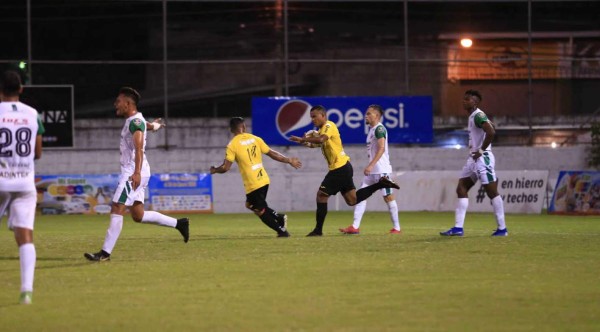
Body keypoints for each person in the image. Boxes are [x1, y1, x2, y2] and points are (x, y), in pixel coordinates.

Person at [84, 87, 189, 261]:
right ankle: (179, 224)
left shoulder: (135, 122)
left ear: (128, 103)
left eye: (118, 102)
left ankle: (104, 254)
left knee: (117, 206)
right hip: (137, 170)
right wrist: (154, 125)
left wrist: (136, 173)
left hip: (133, 171)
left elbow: (139, 148)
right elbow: (143, 125)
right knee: (138, 215)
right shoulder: (135, 121)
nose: (115, 104)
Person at [289, 105, 399, 236]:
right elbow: (318, 143)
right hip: (344, 168)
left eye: (315, 116)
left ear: (323, 116)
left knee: (321, 195)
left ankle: (318, 230)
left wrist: (303, 139)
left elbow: (321, 139)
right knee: (352, 200)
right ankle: (380, 184)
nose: (313, 119)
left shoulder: (329, 126)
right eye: (311, 117)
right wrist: (305, 142)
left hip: (339, 168)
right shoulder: (323, 130)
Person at [210, 117, 302, 237]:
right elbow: (272, 153)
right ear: (244, 126)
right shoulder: (255, 139)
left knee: (260, 210)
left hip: (253, 183)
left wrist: (215, 170)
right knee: (250, 205)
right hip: (264, 179)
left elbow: (225, 168)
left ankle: (282, 231)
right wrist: (288, 160)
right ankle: (279, 217)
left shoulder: (232, 145)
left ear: (231, 129)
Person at [0, 70, 45, 304]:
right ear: (21, 89)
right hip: (24, 181)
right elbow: (37, 152)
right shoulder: (32, 114)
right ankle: (26, 291)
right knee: (25, 236)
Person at [440, 89, 507, 237]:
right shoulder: (474, 116)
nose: (463, 101)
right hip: (473, 159)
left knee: (491, 192)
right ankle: (458, 228)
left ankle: (502, 229)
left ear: (475, 102)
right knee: (461, 188)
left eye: (467, 99)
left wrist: (482, 150)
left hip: (483, 159)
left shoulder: (477, 115)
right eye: (463, 99)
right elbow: (490, 127)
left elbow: (491, 132)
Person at [338, 104, 401, 235]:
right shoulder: (372, 130)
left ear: (376, 116)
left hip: (381, 170)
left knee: (388, 197)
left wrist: (371, 165)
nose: (365, 116)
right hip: (372, 172)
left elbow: (382, 148)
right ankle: (354, 227)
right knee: (359, 196)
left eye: (368, 114)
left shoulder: (379, 129)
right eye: (366, 114)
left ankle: (397, 228)